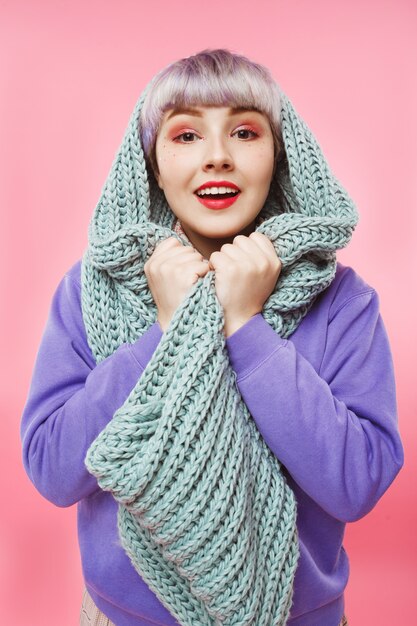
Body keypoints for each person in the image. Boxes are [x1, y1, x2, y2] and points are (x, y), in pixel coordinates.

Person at [21, 49, 404, 626]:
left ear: (279, 157)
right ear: (151, 164)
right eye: (185, 136)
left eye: (245, 131)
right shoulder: (88, 293)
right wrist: (165, 332)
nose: (217, 157)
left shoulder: (342, 301)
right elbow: (52, 468)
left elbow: (358, 482)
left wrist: (246, 327)